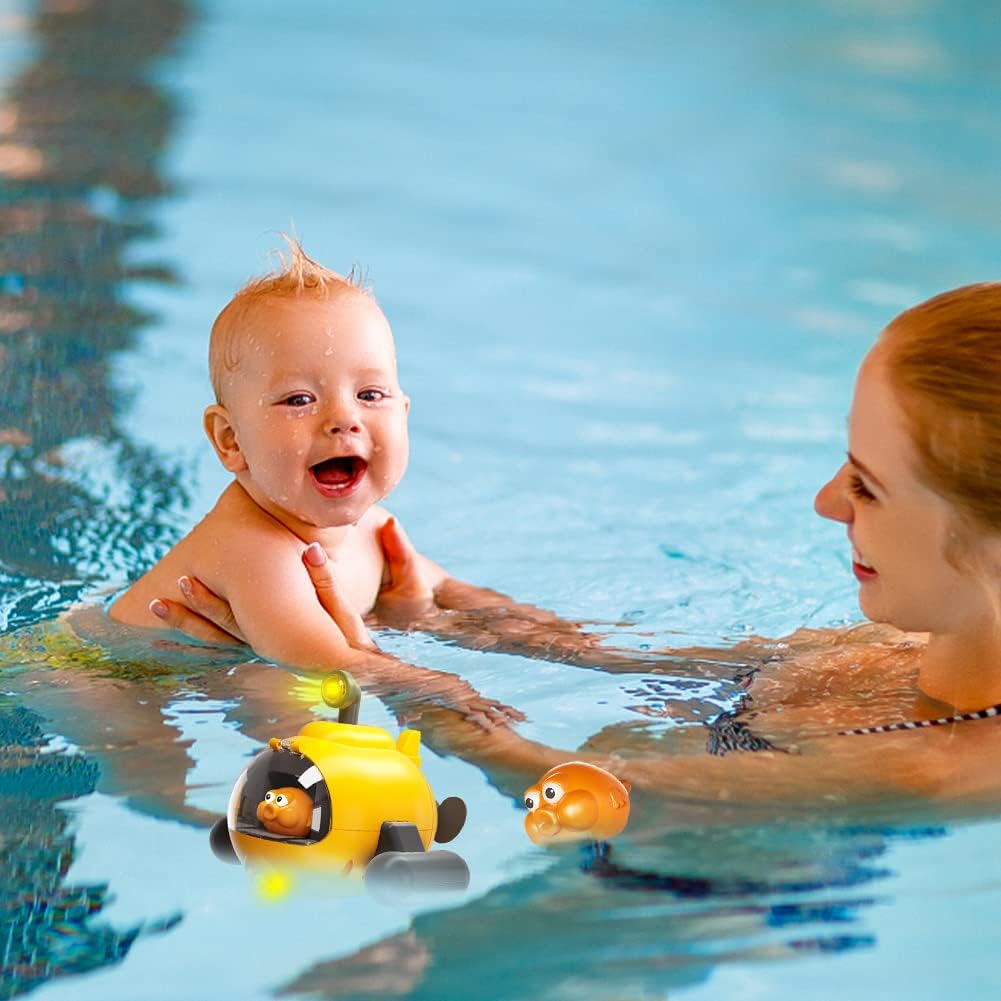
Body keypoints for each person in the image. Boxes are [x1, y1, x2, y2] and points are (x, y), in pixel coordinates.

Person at [157, 283, 1001, 811]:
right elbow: (638, 663)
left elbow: (579, 793)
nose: (824, 501)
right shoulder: (911, 641)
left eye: (867, 483)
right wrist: (441, 619)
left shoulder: (927, 765)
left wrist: (389, 674)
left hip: (662, 900)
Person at [107, 238, 536, 721]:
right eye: (298, 400)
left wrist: (598, 652)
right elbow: (325, 663)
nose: (344, 418)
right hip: (101, 681)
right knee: (160, 777)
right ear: (230, 440)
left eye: (371, 394)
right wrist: (441, 685)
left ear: (405, 412)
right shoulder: (255, 548)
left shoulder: (376, 530)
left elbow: (461, 599)